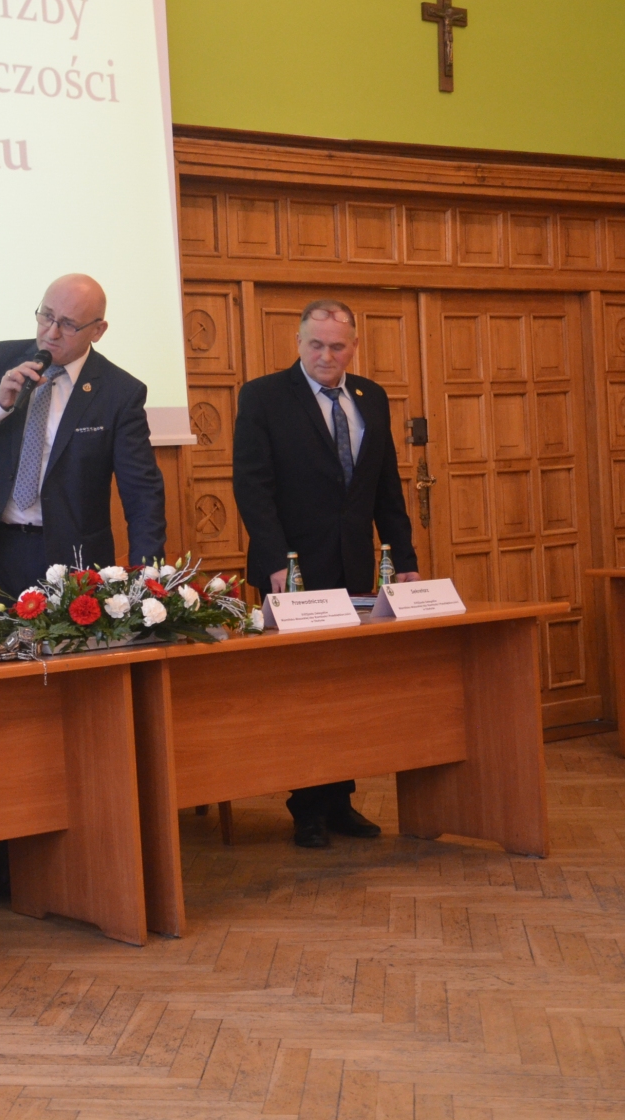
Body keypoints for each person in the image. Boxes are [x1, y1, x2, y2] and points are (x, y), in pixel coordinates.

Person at [231, 298, 421, 849]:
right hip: (291, 571)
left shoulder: (371, 397)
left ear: (353, 347)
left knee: (348, 687)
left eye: (337, 346)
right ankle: (306, 808)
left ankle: (340, 800)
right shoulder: (264, 397)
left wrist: (405, 561)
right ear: (298, 342)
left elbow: (386, 488)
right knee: (302, 691)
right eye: (316, 344)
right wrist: (276, 561)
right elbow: (253, 487)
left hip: (354, 565)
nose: (326, 355)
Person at [0, 273, 167, 598]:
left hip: (75, 561)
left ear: (98, 330)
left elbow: (142, 495)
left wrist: (147, 581)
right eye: (46, 316)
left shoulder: (120, 392)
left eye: (68, 324)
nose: (51, 332)